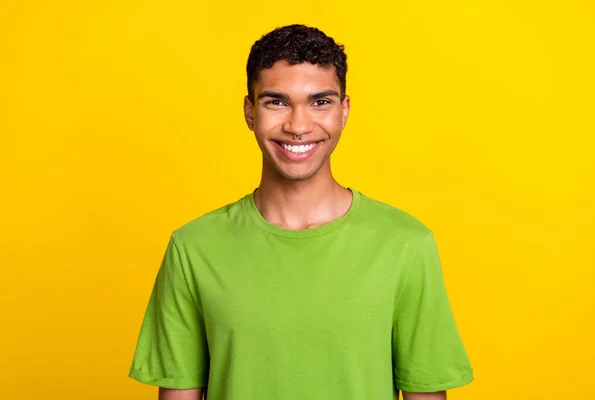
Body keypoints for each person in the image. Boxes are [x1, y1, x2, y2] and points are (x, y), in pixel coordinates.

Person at [129, 24, 473, 400]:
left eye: (320, 102)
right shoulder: (193, 248)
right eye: (276, 102)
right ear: (249, 111)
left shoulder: (406, 244)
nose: (298, 126)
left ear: (344, 111)